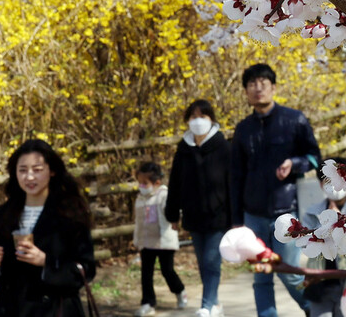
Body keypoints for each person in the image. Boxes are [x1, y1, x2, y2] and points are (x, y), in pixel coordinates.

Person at [231, 63, 321, 317]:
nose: (257, 88)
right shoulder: (243, 129)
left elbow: (315, 157)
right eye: (252, 84)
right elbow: (235, 176)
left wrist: (294, 164)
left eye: (263, 83)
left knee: (289, 272)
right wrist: (237, 220)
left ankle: (314, 308)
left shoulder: (294, 119)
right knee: (260, 276)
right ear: (246, 91)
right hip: (252, 214)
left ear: (273, 87)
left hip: (287, 212)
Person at [0, 139, 96, 317]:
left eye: (37, 170)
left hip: (55, 309)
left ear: (52, 171)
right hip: (11, 308)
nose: (29, 177)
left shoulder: (70, 214)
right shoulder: (4, 215)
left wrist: (45, 262)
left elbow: (85, 268)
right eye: (23, 170)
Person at [165, 100, 231, 317]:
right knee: (203, 262)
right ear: (187, 121)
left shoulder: (223, 147)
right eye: (193, 117)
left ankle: (206, 306)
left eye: (203, 116)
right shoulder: (183, 150)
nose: (198, 121)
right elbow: (175, 183)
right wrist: (172, 214)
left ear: (212, 119)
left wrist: (235, 218)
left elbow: (232, 182)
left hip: (218, 215)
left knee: (212, 260)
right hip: (193, 215)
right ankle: (215, 303)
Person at [301, 157, 346, 317]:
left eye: (341, 178)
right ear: (321, 184)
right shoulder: (312, 213)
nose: (334, 185)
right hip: (320, 285)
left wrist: (342, 224)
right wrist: (326, 226)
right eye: (328, 180)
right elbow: (304, 245)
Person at [133, 161, 186, 316]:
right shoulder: (140, 199)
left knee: (167, 270)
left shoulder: (164, 196)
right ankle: (148, 302)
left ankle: (179, 290)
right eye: (140, 183)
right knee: (146, 273)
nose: (142, 186)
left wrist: (176, 219)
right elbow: (138, 222)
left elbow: (172, 213)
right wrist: (137, 240)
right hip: (147, 242)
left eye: (145, 183)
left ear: (157, 182)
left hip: (164, 242)